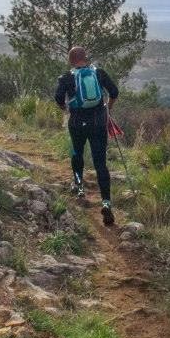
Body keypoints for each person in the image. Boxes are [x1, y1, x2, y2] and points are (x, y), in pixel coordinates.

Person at [54, 46, 119, 226]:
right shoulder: (99, 73)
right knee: (100, 163)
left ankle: (80, 187)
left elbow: (58, 98)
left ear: (70, 60)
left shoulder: (67, 77)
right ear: (86, 58)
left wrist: (66, 108)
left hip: (77, 123)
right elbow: (114, 92)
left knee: (77, 154)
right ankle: (106, 202)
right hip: (98, 122)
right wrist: (108, 107)